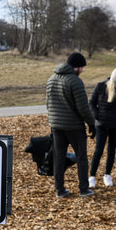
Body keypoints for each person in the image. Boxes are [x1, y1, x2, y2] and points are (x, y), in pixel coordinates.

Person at [46, 52, 96, 198]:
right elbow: (83, 108)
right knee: (81, 157)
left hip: (56, 126)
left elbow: (48, 104)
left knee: (59, 157)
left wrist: (54, 120)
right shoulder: (75, 81)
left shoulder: (51, 79)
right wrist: (91, 124)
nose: (82, 71)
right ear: (76, 67)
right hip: (74, 126)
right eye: (81, 67)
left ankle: (59, 190)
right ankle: (83, 189)